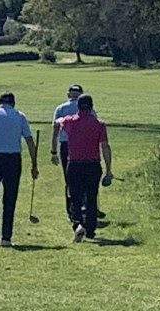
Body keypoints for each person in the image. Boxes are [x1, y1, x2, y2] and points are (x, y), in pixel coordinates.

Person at [0, 92, 38, 247]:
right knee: (10, 198)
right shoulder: (20, 116)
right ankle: (6, 237)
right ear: (13, 103)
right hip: (13, 160)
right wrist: (34, 165)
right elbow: (30, 142)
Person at [53, 93, 113, 242]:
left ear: (78, 106)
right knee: (92, 197)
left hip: (75, 164)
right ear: (92, 107)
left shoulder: (70, 121)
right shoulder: (99, 124)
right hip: (93, 165)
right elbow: (105, 147)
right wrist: (109, 169)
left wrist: (59, 120)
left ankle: (78, 224)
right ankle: (91, 229)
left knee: (75, 197)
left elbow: (58, 122)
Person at [50, 84, 106, 220]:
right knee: (89, 183)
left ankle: (73, 210)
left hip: (66, 146)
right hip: (88, 146)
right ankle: (89, 208)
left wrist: (53, 151)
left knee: (70, 179)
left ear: (68, 94)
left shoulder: (61, 108)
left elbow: (55, 130)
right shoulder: (88, 109)